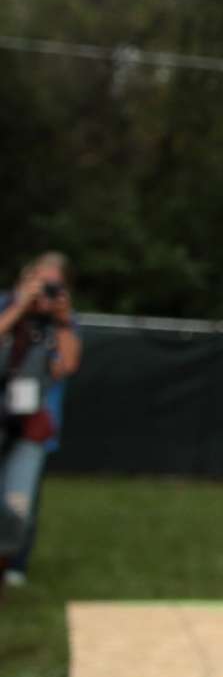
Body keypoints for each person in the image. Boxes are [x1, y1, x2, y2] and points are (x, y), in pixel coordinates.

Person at [1, 252, 82, 592]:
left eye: (54, 286)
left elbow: (66, 365)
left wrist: (61, 320)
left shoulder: (62, 323)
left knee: (18, 501)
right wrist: (20, 306)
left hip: (31, 424)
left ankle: (7, 568)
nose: (44, 293)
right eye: (40, 283)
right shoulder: (8, 306)